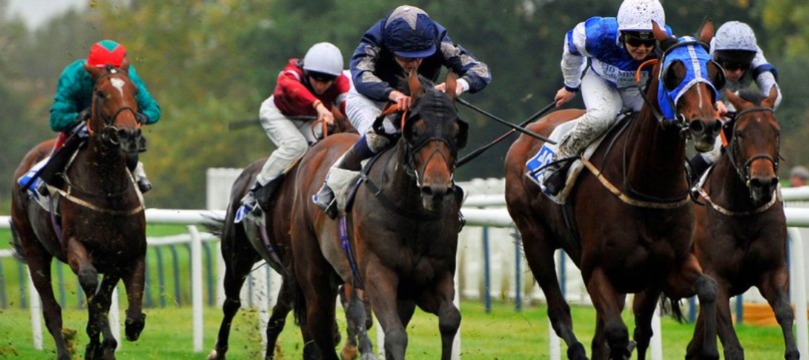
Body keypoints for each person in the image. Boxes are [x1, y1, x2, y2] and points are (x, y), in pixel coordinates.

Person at [313, 5, 491, 217]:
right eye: (407, 58)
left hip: (415, 101)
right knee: (382, 135)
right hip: (369, 99)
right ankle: (332, 183)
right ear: (391, 48)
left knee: (434, 135)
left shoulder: (438, 39)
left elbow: (480, 70)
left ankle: (445, 192)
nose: (414, 63)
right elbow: (361, 76)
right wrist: (393, 94)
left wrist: (459, 85)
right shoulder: (375, 40)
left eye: (420, 57)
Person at [543, 0, 669, 195]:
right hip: (602, 83)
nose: (642, 49)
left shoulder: (667, 41)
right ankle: (560, 159)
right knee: (602, 116)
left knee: (665, 122)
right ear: (621, 34)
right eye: (634, 41)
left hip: (638, 90)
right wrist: (571, 84)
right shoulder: (598, 34)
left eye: (649, 41)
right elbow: (571, 48)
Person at [240, 42, 351, 211]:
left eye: (326, 81)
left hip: (307, 120)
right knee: (295, 145)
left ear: (335, 79)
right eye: (315, 79)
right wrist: (318, 105)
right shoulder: (292, 71)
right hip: (278, 114)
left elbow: (349, 107)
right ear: (306, 72)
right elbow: (287, 84)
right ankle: (256, 191)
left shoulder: (342, 83)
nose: (320, 86)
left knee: (319, 151)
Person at [46, 39, 161, 193]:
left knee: (130, 136)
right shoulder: (73, 75)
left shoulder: (129, 76)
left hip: (117, 131)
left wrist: (143, 116)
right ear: (92, 69)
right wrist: (80, 116)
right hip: (80, 130)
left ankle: (137, 173)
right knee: (73, 140)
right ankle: (47, 181)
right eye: (102, 71)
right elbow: (56, 120)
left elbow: (153, 109)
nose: (109, 76)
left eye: (114, 70)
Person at [687, 21, 783, 181]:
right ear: (717, 57)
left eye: (744, 66)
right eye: (730, 65)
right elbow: (694, 90)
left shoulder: (756, 55)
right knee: (713, 151)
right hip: (700, 102)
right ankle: (687, 179)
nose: (737, 72)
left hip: (733, 103)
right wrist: (713, 103)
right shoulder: (706, 54)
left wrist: (750, 113)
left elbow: (774, 94)